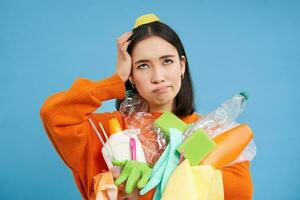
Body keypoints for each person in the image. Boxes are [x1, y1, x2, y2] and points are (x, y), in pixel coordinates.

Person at [40, 13, 253, 200]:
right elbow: (54, 114)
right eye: (143, 66)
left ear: (182, 65)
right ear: (131, 76)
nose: (158, 77)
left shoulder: (212, 132)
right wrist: (116, 79)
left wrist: (146, 185)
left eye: (167, 61)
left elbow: (239, 193)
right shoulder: (106, 131)